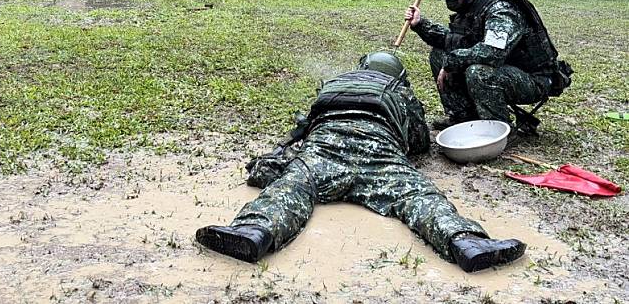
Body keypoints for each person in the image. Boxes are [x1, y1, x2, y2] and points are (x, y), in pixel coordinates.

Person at [196, 52, 526, 272]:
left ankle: (253, 232)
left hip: (323, 151)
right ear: (399, 75)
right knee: (419, 198)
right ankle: (465, 242)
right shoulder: (400, 90)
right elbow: (420, 143)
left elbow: (306, 122)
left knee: (290, 188)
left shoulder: (337, 82)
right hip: (381, 155)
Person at [405, 0, 572, 131]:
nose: (449, 4)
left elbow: (492, 53)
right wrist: (420, 24)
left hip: (534, 78)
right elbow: (457, 41)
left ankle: (498, 132)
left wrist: (452, 61)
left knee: (478, 72)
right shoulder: (474, 4)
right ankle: (463, 117)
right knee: (440, 54)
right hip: (504, 67)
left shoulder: (503, 10)